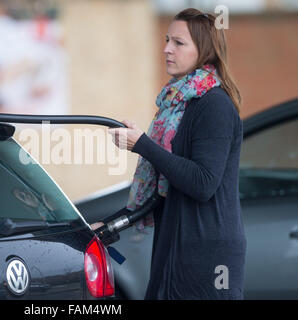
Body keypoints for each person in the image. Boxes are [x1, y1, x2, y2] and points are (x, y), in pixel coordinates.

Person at [91, 8, 246, 300]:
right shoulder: (174, 107)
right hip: (174, 244)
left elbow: (203, 183)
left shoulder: (215, 106)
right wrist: (109, 223)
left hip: (208, 258)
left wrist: (143, 144)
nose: (166, 49)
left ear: (205, 51)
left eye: (178, 43)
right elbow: (161, 192)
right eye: (166, 40)